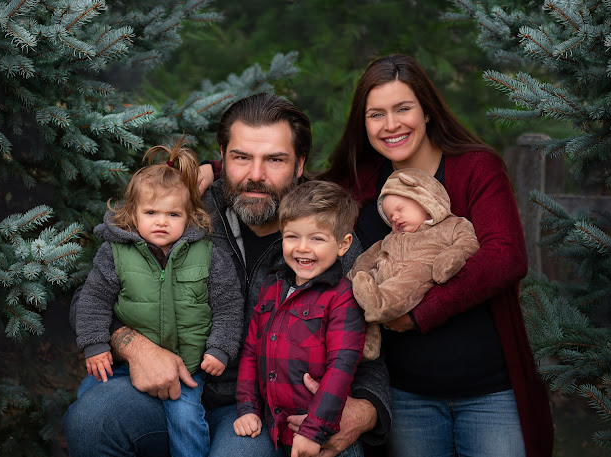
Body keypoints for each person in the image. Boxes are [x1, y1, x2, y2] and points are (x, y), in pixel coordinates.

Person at [63, 93, 392, 457]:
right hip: (170, 386)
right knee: (92, 417)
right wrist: (137, 349)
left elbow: (367, 344)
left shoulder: (326, 234)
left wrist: (366, 410)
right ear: (222, 158)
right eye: (241, 157)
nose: (255, 175)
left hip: (260, 409)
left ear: (300, 164)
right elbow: (88, 298)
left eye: (275, 160)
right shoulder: (181, 209)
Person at [318, 54, 554, 456]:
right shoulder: (356, 184)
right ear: (364, 124)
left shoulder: (476, 168)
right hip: (408, 396)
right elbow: (284, 180)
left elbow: (505, 257)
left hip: (489, 391)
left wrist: (418, 314)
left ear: (427, 111)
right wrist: (211, 168)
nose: (391, 124)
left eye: (403, 108)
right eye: (376, 114)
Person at [73, 141, 243, 457]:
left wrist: (220, 348)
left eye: (173, 213)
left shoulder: (208, 256)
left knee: (185, 419)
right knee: (88, 404)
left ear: (190, 215)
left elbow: (229, 305)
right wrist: (95, 344)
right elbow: (94, 299)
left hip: (188, 366)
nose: (161, 221)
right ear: (132, 213)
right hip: (125, 362)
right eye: (151, 212)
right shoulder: (115, 253)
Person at [234, 180, 366, 457]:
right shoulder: (271, 287)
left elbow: (341, 368)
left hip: (323, 437)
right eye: (292, 236)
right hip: (274, 431)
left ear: (343, 245)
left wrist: (314, 430)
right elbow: (250, 352)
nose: (302, 248)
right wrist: (247, 407)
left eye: (317, 238)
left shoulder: (342, 297)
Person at [347, 167, 479, 360]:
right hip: (381, 277)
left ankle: (379, 303)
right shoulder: (389, 238)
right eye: (390, 216)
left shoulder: (452, 225)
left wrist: (450, 257)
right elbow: (368, 258)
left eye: (400, 210)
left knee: (409, 277)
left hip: (419, 271)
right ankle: (367, 345)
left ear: (425, 203)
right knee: (360, 297)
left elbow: (468, 242)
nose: (395, 218)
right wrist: (353, 276)